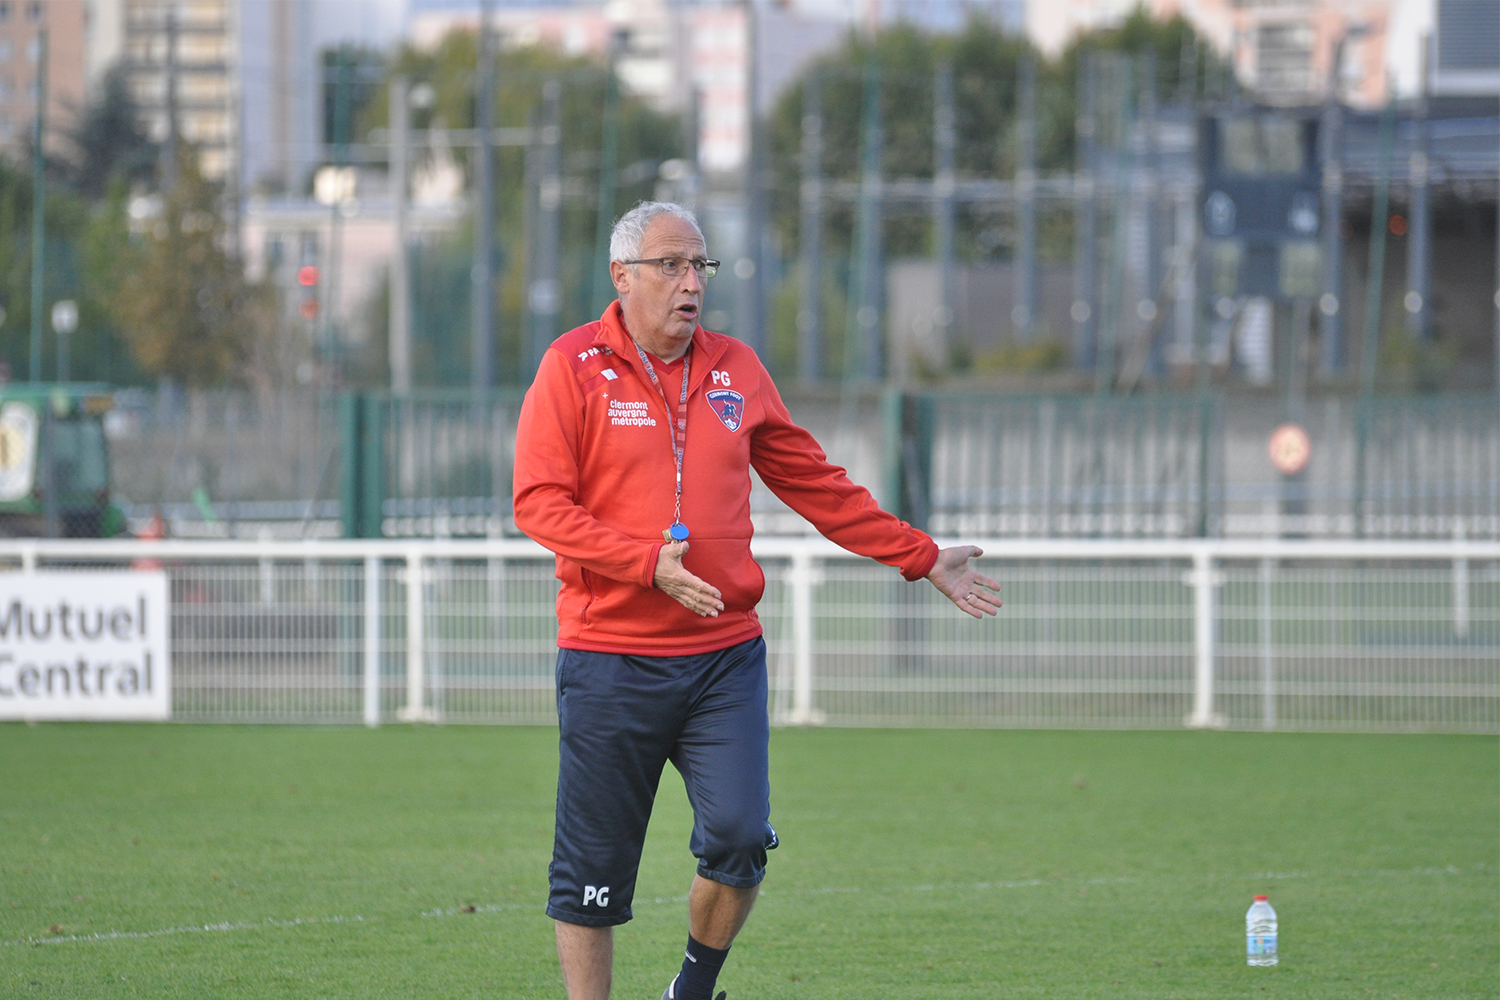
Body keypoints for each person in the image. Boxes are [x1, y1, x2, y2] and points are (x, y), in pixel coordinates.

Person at [513, 201, 1001, 1000]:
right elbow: (538, 503)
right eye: (670, 265)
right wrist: (645, 564)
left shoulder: (737, 368)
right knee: (592, 879)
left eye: (699, 267)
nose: (689, 283)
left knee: (740, 839)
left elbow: (815, 482)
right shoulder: (571, 366)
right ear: (622, 276)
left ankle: (693, 991)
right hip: (609, 660)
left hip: (721, 661)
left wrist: (920, 557)